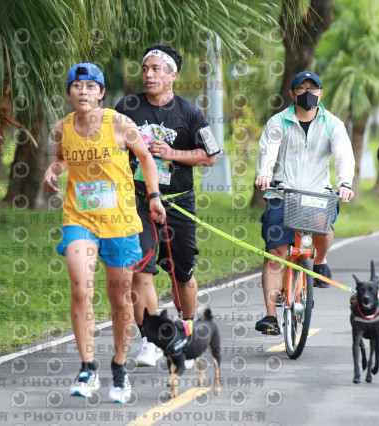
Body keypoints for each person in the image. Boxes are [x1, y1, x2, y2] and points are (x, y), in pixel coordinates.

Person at [43, 63, 166, 403]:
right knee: (81, 288)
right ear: (69, 93)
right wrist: (53, 172)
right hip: (79, 218)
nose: (83, 92)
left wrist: (154, 197)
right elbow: (61, 158)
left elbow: (145, 157)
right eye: (76, 86)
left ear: (100, 93)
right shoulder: (61, 127)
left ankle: (119, 368)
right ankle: (87, 366)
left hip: (120, 221)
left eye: (90, 86)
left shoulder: (119, 123)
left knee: (119, 297)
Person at [115, 44, 220, 366]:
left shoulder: (190, 113)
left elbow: (210, 157)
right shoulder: (127, 107)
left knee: (182, 275)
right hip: (139, 203)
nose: (148, 74)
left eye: (156, 69)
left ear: (173, 75)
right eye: (145, 68)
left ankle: (186, 335)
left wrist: (171, 154)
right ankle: (150, 340)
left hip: (178, 204)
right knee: (140, 272)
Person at [253, 71, 355, 335]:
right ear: (292, 93)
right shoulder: (278, 122)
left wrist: (345, 183)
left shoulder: (333, 124)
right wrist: (264, 173)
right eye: (301, 88)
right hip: (282, 193)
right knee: (276, 253)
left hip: (317, 194)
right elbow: (268, 149)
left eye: (313, 88)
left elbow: (343, 153)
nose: (307, 93)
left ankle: (319, 260)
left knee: (325, 231)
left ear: (321, 93)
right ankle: (271, 316)